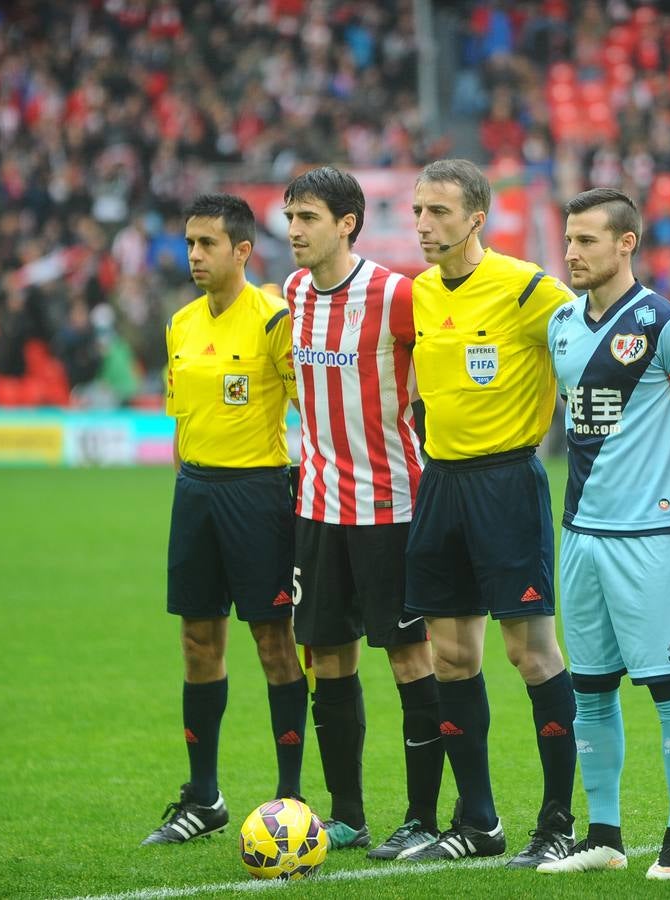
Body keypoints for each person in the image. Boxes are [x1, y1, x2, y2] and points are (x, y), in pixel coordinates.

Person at [535, 189, 670, 880]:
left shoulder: (665, 324)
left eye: (588, 239)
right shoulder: (560, 324)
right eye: (570, 238)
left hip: (650, 536)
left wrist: (668, 486)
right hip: (581, 534)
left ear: (626, 243)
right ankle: (605, 835)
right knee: (590, 689)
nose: (573, 251)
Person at [401, 158, 579, 867]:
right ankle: (477, 820)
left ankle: (559, 821)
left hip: (507, 483)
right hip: (439, 484)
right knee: (450, 654)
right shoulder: (416, 291)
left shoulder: (529, 288)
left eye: (438, 212)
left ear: (477, 218)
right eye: (417, 211)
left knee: (528, 653)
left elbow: (595, 337)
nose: (422, 225)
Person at [279, 166, 446, 860]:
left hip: (391, 506)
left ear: (347, 224)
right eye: (290, 218)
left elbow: (438, 380)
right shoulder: (292, 293)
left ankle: (423, 816)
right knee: (328, 658)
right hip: (317, 508)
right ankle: (346, 816)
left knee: (410, 658)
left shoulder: (395, 296)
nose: (293, 232)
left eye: (308, 218)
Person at [142, 193, 308, 845]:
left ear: (242, 250)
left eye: (207, 244)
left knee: (273, 642)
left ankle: (289, 798)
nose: (194, 256)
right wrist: (188, 485)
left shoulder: (274, 320)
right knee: (197, 640)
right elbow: (181, 421)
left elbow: (308, 410)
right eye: (189, 244)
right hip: (197, 495)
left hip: (259, 494)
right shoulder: (180, 324)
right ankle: (203, 796)